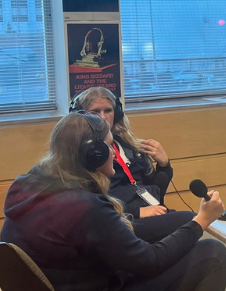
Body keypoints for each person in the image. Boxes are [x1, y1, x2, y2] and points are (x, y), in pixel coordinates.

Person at [1, 113, 226, 291]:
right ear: (93, 154)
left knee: (159, 257)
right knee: (211, 253)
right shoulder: (84, 207)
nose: (115, 153)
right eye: (110, 146)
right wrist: (202, 221)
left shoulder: (26, 185)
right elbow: (151, 261)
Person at [71, 87, 175, 219]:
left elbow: (156, 191)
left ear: (117, 113)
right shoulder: (82, 154)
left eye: (108, 110)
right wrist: (135, 212)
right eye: (95, 111)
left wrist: (164, 165)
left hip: (152, 212)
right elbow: (91, 205)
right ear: (80, 116)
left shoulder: (129, 146)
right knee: (190, 220)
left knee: (195, 228)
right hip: (120, 220)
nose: (102, 117)